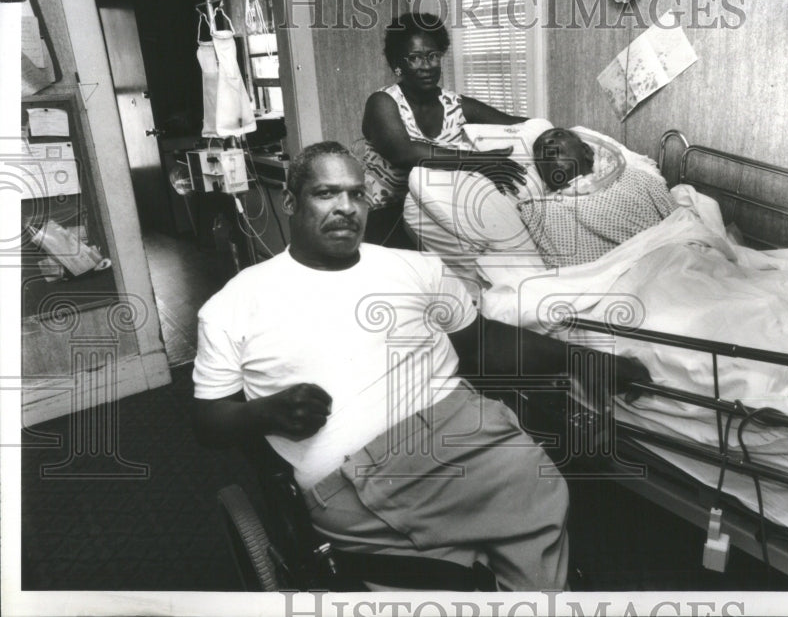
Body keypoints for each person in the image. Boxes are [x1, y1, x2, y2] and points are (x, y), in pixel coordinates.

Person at [192, 141, 650, 590]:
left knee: (538, 495)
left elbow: (484, 342)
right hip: (356, 478)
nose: (347, 207)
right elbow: (209, 421)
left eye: (357, 193)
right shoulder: (234, 304)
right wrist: (264, 413)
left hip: (463, 435)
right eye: (326, 193)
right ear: (290, 201)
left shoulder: (417, 268)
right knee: (443, 576)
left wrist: (587, 360)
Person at [360, 12, 528, 246]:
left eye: (433, 56)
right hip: (383, 214)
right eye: (415, 58)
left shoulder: (455, 105)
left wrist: (551, 132)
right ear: (397, 65)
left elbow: (519, 125)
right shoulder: (382, 102)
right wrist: (480, 161)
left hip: (435, 209)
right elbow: (405, 153)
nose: (427, 66)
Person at [521, 128, 680, 267]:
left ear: (587, 151)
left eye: (558, 134)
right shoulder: (539, 212)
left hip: (670, 265)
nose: (547, 142)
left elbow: (685, 226)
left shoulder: (635, 178)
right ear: (543, 175)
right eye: (539, 150)